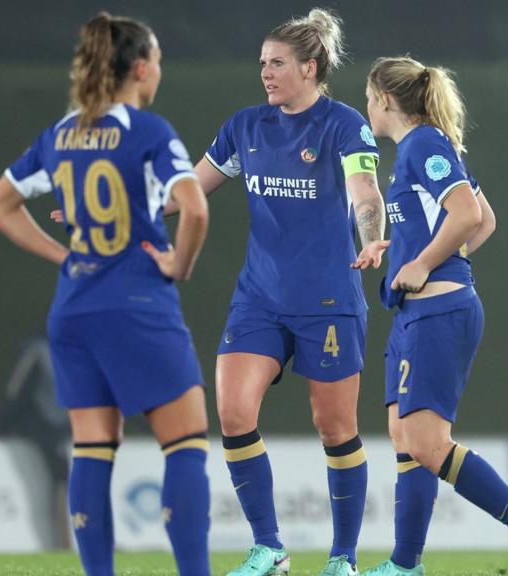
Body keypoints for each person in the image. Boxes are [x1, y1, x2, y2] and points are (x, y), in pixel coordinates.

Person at [0, 13, 211, 576]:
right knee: (184, 443)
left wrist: (64, 256)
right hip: (137, 302)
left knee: (91, 449)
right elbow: (196, 206)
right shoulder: (150, 131)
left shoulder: (61, 133)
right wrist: (179, 264)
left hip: (74, 308)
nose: (158, 70)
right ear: (139, 68)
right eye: (155, 60)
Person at [169, 8, 386, 576]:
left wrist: (373, 238)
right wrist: (118, 214)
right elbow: (189, 191)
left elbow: (365, 189)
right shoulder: (245, 126)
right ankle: (270, 547)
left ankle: (343, 558)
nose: (265, 73)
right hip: (259, 298)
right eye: (262, 63)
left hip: (328, 300)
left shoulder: (343, 125)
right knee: (234, 411)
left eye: (278, 64)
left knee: (335, 428)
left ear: (310, 68)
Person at [360, 55, 508, 576]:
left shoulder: (423, 143)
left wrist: (427, 262)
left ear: (384, 100)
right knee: (407, 441)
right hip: (413, 316)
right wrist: (409, 246)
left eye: (367, 98)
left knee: (428, 444)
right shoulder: (416, 148)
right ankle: (405, 565)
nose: (366, 108)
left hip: (438, 314)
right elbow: (482, 218)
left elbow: (471, 217)